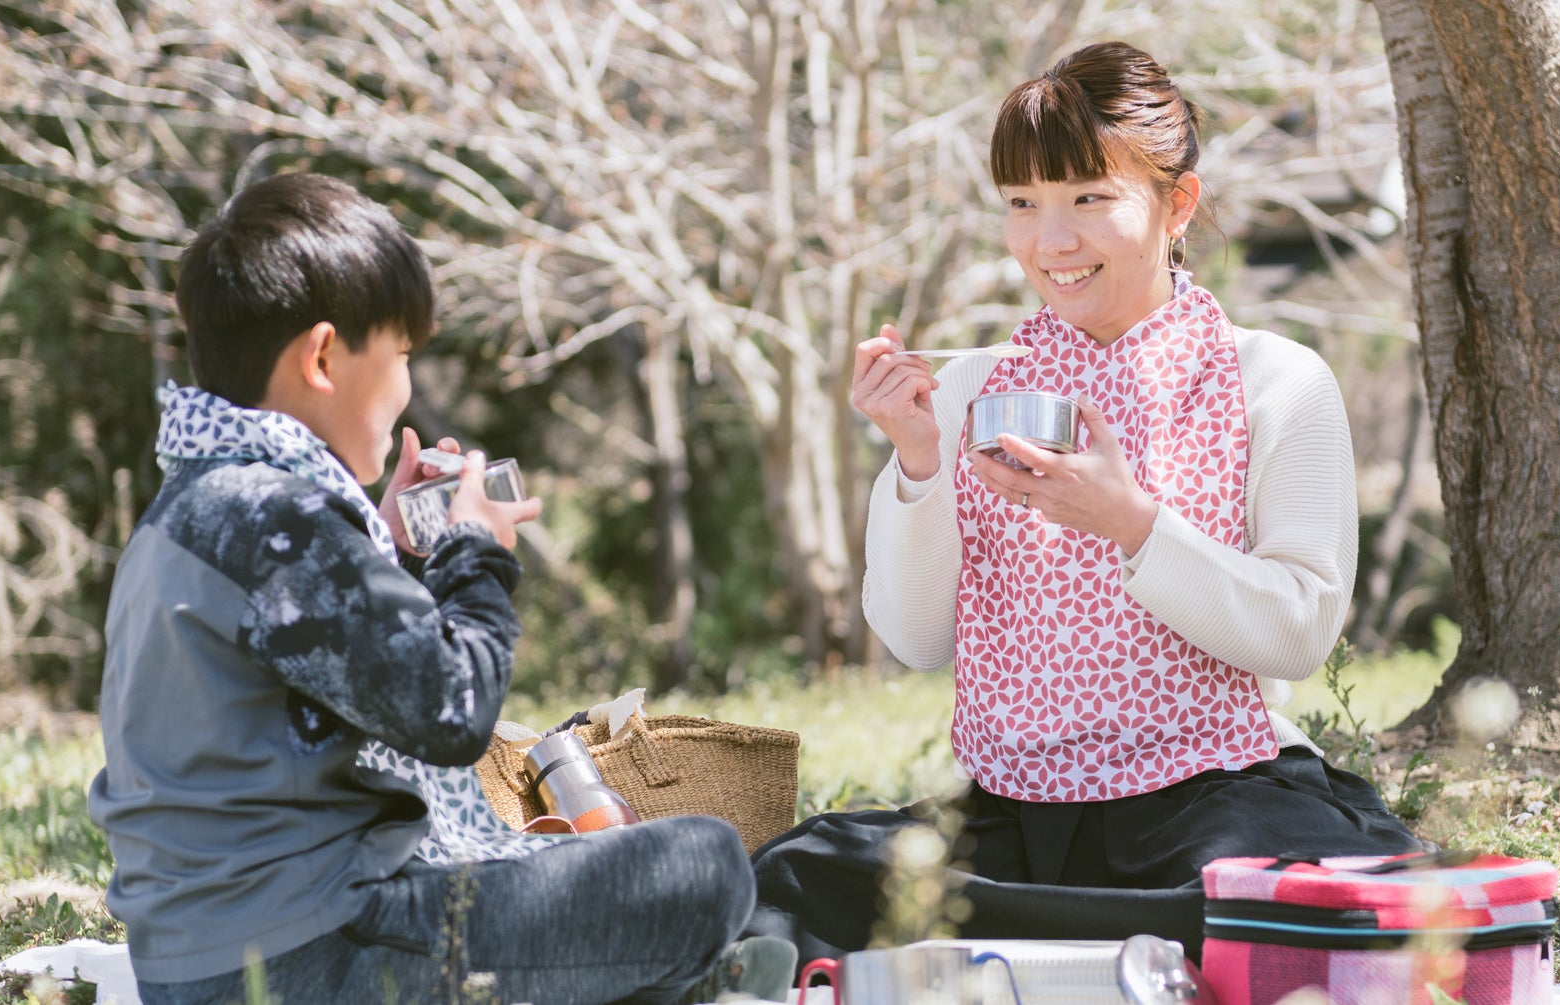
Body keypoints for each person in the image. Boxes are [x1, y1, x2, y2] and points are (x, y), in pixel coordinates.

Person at [747, 41, 1422, 963]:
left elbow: (1300, 633)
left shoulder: (1273, 379)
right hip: (1010, 817)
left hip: (1208, 796)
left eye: (1088, 200)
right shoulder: (973, 386)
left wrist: (1132, 524)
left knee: (1331, 905)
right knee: (791, 876)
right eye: (1023, 205)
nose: (1050, 242)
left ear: (1176, 203)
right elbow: (916, 640)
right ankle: (1106, 950)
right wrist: (917, 462)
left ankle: (1056, 949)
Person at [86, 172, 768, 1005]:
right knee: (705, 863)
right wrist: (473, 551)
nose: (407, 384)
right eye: (402, 354)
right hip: (314, 956)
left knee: (600, 866)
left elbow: (341, 673)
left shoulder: (200, 502)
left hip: (206, 961)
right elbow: (449, 711)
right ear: (325, 355)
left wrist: (392, 557)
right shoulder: (279, 517)